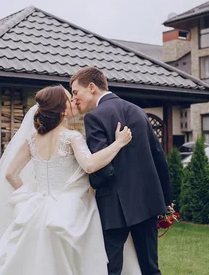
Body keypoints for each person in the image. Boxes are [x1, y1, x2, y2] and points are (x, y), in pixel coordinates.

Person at [0, 85, 141, 274]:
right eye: (70, 99)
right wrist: (118, 143)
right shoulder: (71, 137)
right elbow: (90, 165)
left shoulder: (32, 139)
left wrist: (29, 196)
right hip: (72, 209)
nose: (74, 101)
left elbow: (10, 174)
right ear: (61, 110)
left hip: (37, 208)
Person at [70, 67, 172, 275]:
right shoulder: (137, 111)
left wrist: (91, 183)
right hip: (147, 202)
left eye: (75, 92)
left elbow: (103, 169)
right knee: (150, 268)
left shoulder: (95, 117)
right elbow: (158, 157)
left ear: (91, 87)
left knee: (111, 268)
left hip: (114, 205)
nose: (75, 98)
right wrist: (166, 198)